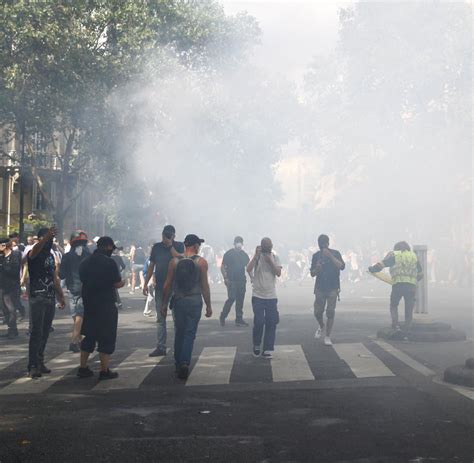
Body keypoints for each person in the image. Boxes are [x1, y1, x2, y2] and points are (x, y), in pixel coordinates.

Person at [161, 234, 212, 379]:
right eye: (199, 245)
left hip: (179, 301)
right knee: (190, 333)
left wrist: (164, 304)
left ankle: (178, 364)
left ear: (185, 245)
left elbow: (167, 284)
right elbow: (204, 286)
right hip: (195, 300)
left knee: (179, 332)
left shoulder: (174, 262)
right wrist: (208, 305)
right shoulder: (202, 263)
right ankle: (184, 362)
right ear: (195, 246)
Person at [77, 236, 124, 380]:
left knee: (89, 336)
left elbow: (82, 279)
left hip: (90, 304)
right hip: (106, 304)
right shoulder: (110, 262)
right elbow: (116, 283)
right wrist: (123, 282)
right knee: (107, 337)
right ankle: (104, 370)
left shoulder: (85, 262)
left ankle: (83, 368)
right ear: (108, 247)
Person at [26, 227, 66, 378]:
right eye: (48, 239)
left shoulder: (50, 255)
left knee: (45, 331)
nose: (50, 241)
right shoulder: (34, 253)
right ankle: (32, 365)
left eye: (51, 239)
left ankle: (40, 361)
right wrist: (45, 237)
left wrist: (60, 296)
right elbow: (35, 249)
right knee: (36, 332)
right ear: (41, 238)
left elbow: (54, 277)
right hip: (37, 296)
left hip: (49, 297)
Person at [143, 225, 184, 357]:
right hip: (160, 286)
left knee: (178, 318)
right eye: (164, 235)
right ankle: (161, 346)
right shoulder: (156, 247)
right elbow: (151, 265)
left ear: (174, 236)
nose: (165, 237)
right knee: (161, 317)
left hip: (177, 286)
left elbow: (179, 258)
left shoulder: (179, 246)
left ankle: (180, 346)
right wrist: (145, 283)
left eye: (169, 235)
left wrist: (170, 245)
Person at [369, 241, 423, 333]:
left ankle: (395, 324)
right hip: (411, 286)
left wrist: (372, 269)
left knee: (394, 305)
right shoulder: (414, 256)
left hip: (398, 285)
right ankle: (408, 327)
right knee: (409, 307)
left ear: (396, 248)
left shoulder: (395, 255)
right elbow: (421, 274)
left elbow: (383, 264)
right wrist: (413, 280)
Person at [246, 237, 282, 359]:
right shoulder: (257, 257)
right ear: (261, 246)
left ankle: (267, 348)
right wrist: (256, 256)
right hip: (258, 295)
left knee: (271, 322)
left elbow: (278, 273)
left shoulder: (275, 257)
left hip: (271, 295)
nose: (268, 247)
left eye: (269, 245)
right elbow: (248, 269)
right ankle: (256, 344)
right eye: (265, 245)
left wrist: (270, 261)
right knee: (259, 321)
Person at [310, 234, 345, 346]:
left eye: (324, 243)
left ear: (328, 243)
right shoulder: (316, 256)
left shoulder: (335, 253)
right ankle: (321, 325)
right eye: (321, 244)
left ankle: (328, 336)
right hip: (320, 287)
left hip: (333, 287)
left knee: (330, 311)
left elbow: (341, 266)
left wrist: (330, 256)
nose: (323, 246)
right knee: (317, 312)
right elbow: (312, 273)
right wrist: (317, 269)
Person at [59, 230, 90, 353]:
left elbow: (61, 275)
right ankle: (74, 341)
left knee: (77, 316)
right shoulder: (89, 255)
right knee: (79, 316)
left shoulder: (67, 257)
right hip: (85, 289)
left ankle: (79, 339)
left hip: (72, 289)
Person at [219, 236, 250, 327]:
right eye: (237, 242)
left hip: (241, 280)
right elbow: (222, 266)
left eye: (240, 242)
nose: (239, 244)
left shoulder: (244, 255)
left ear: (242, 244)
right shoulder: (229, 254)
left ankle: (239, 319)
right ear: (234, 243)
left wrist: (252, 277)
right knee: (232, 298)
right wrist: (225, 277)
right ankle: (223, 316)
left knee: (240, 300)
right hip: (231, 280)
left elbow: (248, 267)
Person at [0, 237, 22, 339]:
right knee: (4, 309)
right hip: (2, 286)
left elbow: (15, 271)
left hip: (12, 286)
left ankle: (13, 330)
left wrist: (3, 267)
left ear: (4, 245)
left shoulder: (15, 255)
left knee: (11, 308)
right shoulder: (1, 256)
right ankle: (11, 329)